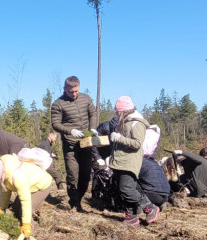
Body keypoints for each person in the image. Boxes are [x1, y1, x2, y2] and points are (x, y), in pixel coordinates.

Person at [107, 96, 160, 226]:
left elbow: (137, 144)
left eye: (118, 111)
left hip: (129, 162)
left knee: (127, 189)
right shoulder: (125, 120)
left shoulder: (138, 123)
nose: (117, 114)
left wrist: (119, 138)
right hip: (120, 161)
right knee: (124, 189)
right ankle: (131, 216)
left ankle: (150, 207)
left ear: (124, 110)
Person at [0, 154, 54, 239]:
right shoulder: (3, 168)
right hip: (28, 185)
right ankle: (15, 232)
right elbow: (6, 191)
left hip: (42, 185)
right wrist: (2, 209)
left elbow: (26, 201)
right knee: (14, 210)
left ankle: (27, 236)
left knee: (22, 211)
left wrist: (26, 224)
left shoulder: (17, 177)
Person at [50, 76, 97, 212]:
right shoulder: (58, 104)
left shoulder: (86, 98)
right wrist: (71, 131)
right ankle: (75, 203)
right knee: (72, 175)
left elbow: (92, 114)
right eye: (71, 91)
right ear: (65, 89)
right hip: (70, 144)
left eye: (76, 91)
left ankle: (79, 199)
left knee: (86, 174)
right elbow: (55, 124)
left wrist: (93, 128)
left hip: (86, 141)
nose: (74, 94)